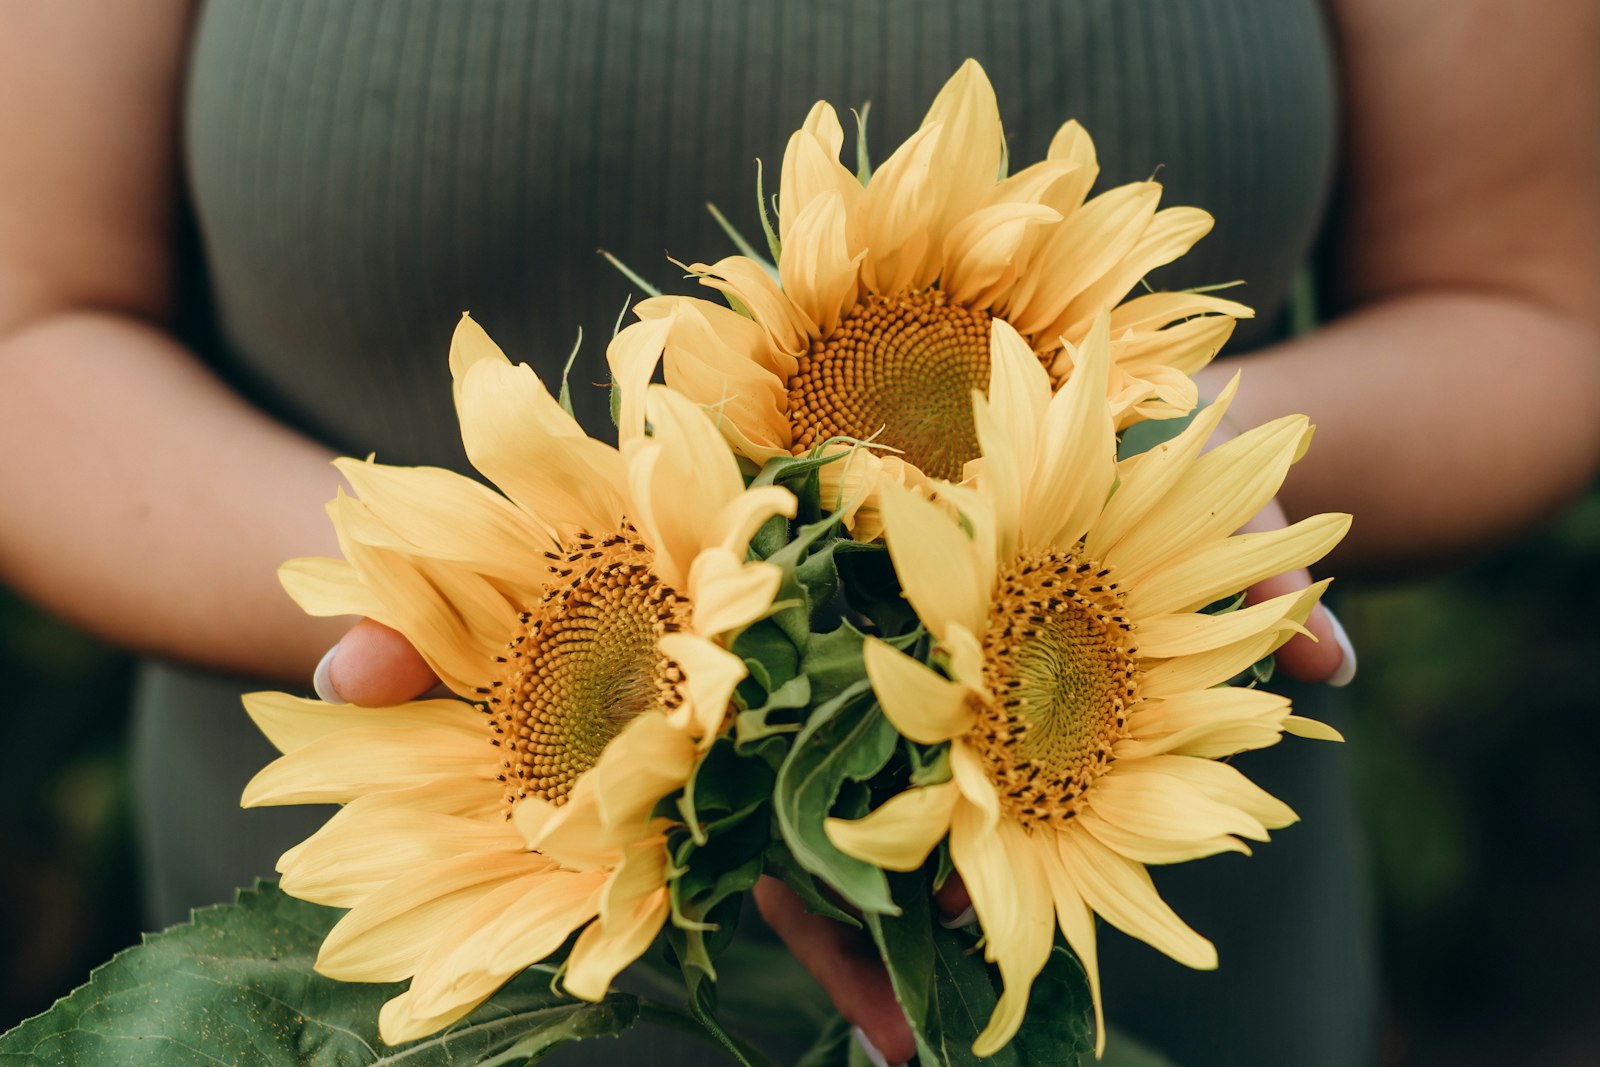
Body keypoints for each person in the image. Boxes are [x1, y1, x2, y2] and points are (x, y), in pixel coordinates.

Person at [2, 1, 1596, 1064]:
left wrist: (1144, 475)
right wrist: (447, 587)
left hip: (1116, 899)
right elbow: (29, 328)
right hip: (426, 908)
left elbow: (1538, 301)